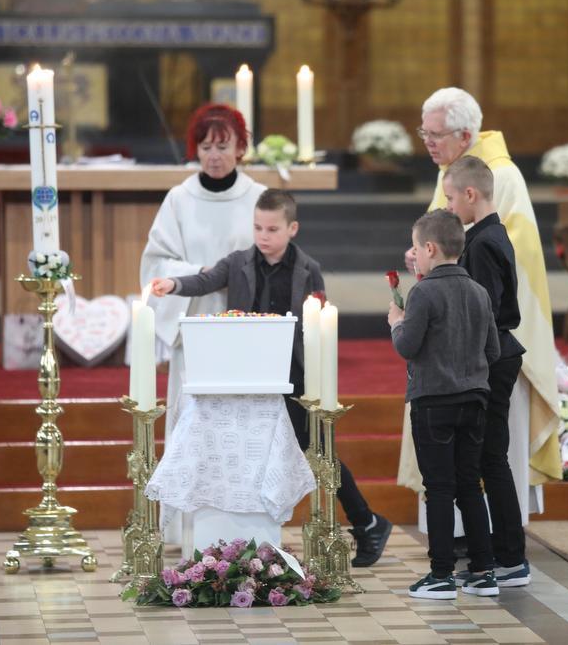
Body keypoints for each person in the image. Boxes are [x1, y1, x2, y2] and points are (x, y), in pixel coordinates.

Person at [150, 190, 392, 567]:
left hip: (292, 374)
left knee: (317, 450)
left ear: (292, 228)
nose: (263, 236)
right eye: (258, 227)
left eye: (273, 228)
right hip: (247, 373)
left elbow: (317, 320)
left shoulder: (308, 268)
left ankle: (366, 521)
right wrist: (174, 285)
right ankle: (243, 533)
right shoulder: (238, 262)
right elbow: (207, 280)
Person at [398, 87, 560, 545]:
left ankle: (495, 544)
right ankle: (476, 543)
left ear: (465, 134)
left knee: (488, 456)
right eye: (423, 133)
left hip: (480, 349)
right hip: (454, 345)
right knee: (471, 458)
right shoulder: (455, 170)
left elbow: (511, 266)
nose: (427, 142)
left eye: (435, 134)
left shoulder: (500, 177)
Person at [140, 103, 266, 545]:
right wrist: (205, 275)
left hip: (245, 333)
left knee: (242, 427)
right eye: (206, 146)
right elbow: (156, 263)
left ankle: (243, 527)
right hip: (193, 330)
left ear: (241, 148)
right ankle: (186, 530)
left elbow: (274, 258)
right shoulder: (179, 199)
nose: (214, 155)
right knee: (190, 425)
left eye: (223, 145)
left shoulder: (258, 197)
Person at [389, 209, 501, 600]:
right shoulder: (479, 291)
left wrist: (396, 322)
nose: (414, 255)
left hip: (433, 402)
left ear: (430, 248)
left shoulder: (422, 292)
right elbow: (494, 349)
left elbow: (408, 346)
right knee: (470, 484)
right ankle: (485, 571)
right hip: (475, 400)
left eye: (416, 248)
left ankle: (440, 574)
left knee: (438, 487)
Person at [442, 155, 530, 587]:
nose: (449, 207)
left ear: (470, 195)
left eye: (451, 198)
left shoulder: (483, 243)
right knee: (491, 458)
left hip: (491, 360)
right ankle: (505, 553)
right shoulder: (487, 237)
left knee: (491, 459)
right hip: (495, 356)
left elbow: (485, 311)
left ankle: (510, 557)